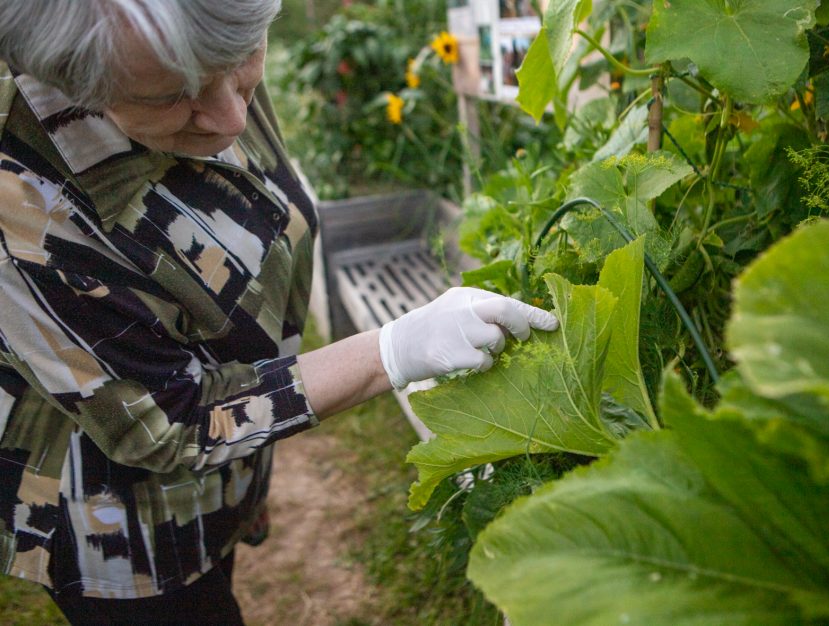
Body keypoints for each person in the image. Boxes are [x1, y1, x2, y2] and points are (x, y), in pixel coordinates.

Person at [0, 1, 557, 623]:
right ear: (75, 85)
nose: (230, 117)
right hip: (125, 527)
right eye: (169, 98)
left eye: (241, 61)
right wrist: (387, 352)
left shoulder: (205, 49)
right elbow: (165, 422)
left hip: (223, 468)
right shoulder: (19, 204)